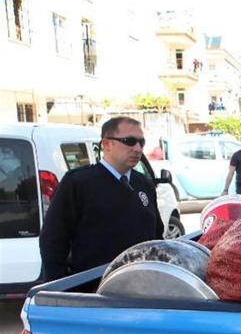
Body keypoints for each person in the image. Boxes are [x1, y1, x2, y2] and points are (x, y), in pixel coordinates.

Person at [39, 116, 164, 280]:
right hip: (94, 291)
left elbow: (156, 236)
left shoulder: (143, 184)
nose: (137, 148)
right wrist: (61, 289)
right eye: (130, 141)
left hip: (141, 287)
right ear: (106, 144)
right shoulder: (78, 183)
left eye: (142, 142)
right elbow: (52, 241)